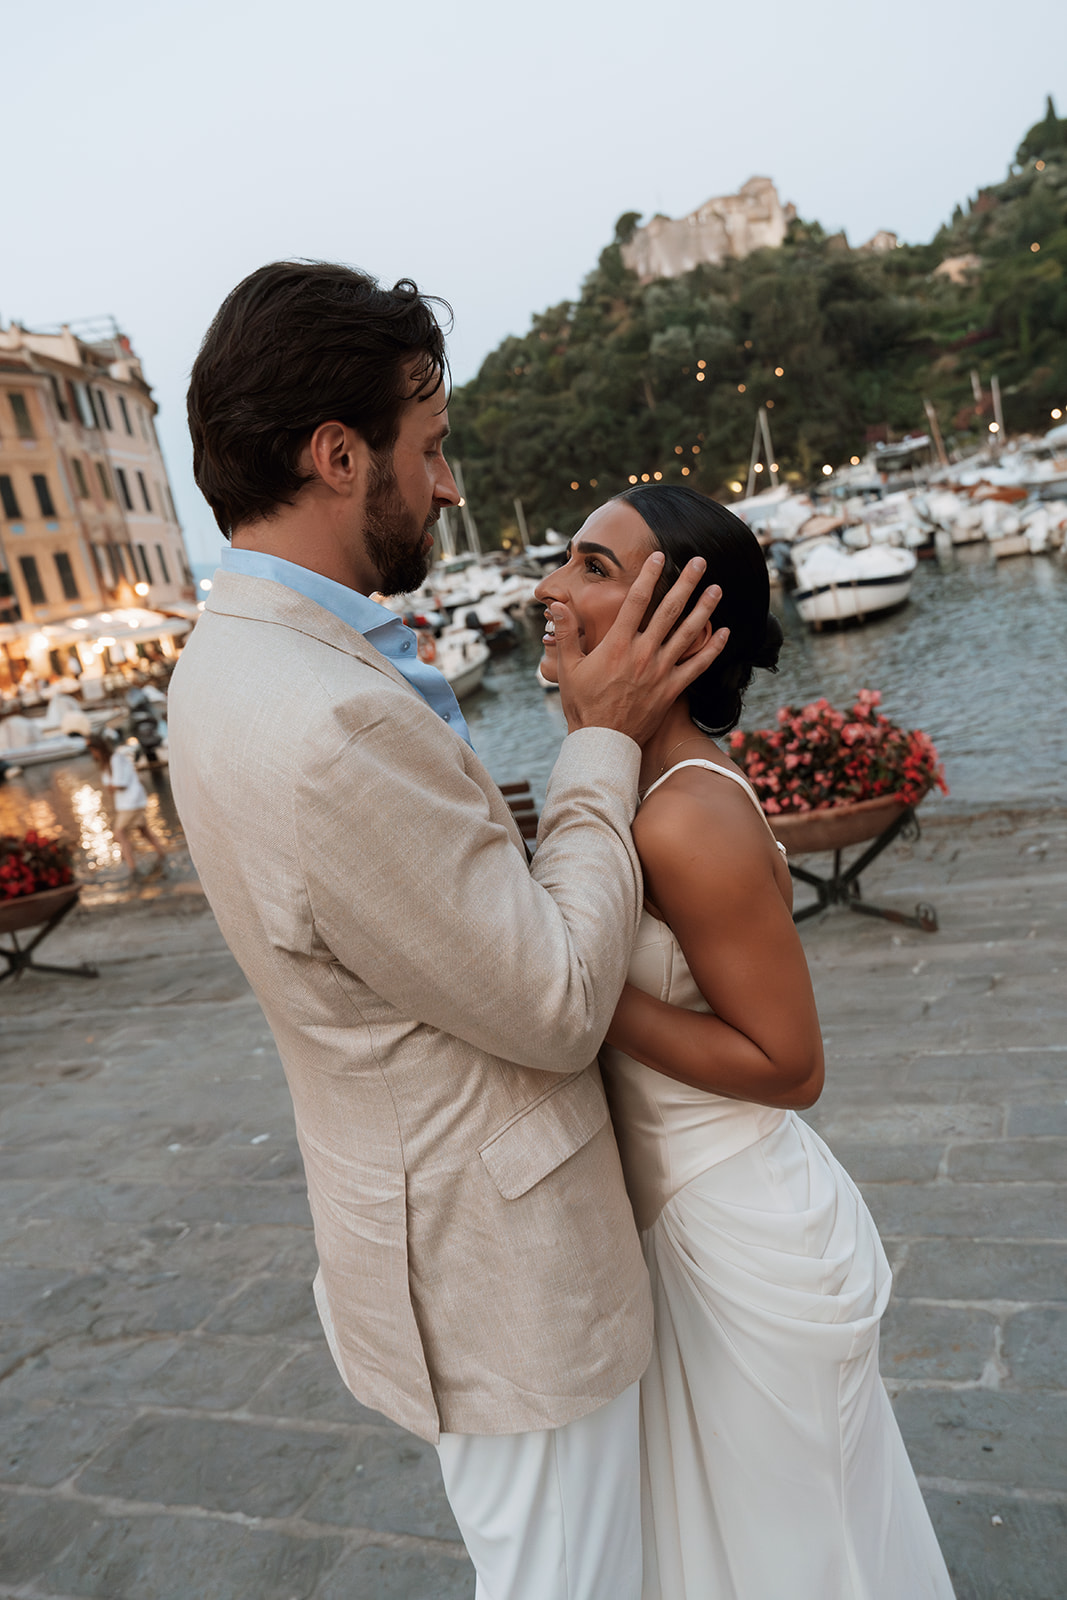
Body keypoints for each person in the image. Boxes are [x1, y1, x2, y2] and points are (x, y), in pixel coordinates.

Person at [168, 261, 729, 1600]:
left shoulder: (229, 658)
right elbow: (553, 1000)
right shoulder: (328, 719)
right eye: (427, 448)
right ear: (335, 454)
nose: (446, 485)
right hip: (499, 1276)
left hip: (429, 1232)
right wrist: (600, 739)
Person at [535, 483, 955, 1600]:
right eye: (566, 559)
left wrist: (563, 984)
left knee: (794, 1562)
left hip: (729, 1228)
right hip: (674, 1229)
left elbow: (790, 1064)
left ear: (680, 622)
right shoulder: (631, 788)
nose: (548, 588)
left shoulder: (684, 814)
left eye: (590, 568)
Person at [86, 734, 167, 878]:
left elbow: (120, 784)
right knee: (143, 830)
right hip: (129, 802)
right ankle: (162, 854)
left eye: (93, 750)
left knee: (119, 832)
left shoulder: (116, 759)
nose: (93, 754)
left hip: (131, 802)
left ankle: (132, 867)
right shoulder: (108, 763)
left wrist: (111, 787)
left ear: (98, 749)